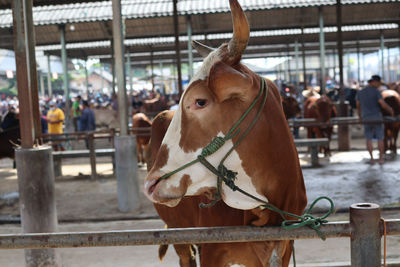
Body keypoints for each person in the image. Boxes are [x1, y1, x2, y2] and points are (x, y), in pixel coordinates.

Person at [356, 75, 394, 165]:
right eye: (378, 83)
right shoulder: (376, 92)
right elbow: (383, 104)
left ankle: (372, 159)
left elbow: (358, 106)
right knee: (380, 138)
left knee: (368, 139)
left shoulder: (360, 92)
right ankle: (380, 159)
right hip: (377, 118)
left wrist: (360, 117)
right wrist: (391, 110)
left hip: (366, 118)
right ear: (374, 82)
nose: (379, 85)